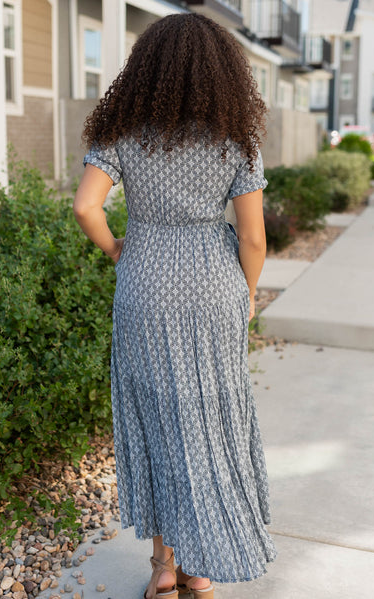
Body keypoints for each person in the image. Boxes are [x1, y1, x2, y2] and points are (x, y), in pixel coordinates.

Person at [73, 12, 277, 599]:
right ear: (221, 72)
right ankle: (201, 565)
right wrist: (248, 292)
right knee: (209, 420)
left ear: (147, 68)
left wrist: (117, 247)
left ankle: (163, 569)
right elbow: (253, 238)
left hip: (146, 285)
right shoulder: (236, 139)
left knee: (157, 420)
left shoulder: (122, 133)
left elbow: (87, 207)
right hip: (215, 286)